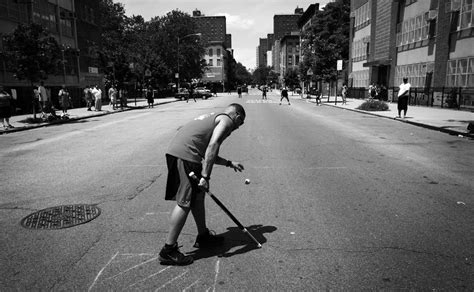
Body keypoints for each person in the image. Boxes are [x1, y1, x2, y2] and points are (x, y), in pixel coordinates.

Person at [159, 103, 246, 266]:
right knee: (185, 201)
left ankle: (203, 236)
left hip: (182, 153)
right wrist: (205, 176)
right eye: (239, 124)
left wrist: (228, 163)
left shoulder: (215, 117)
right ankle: (168, 250)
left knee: (197, 197)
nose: (237, 128)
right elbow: (212, 147)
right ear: (237, 117)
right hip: (185, 156)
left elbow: (209, 152)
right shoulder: (227, 121)